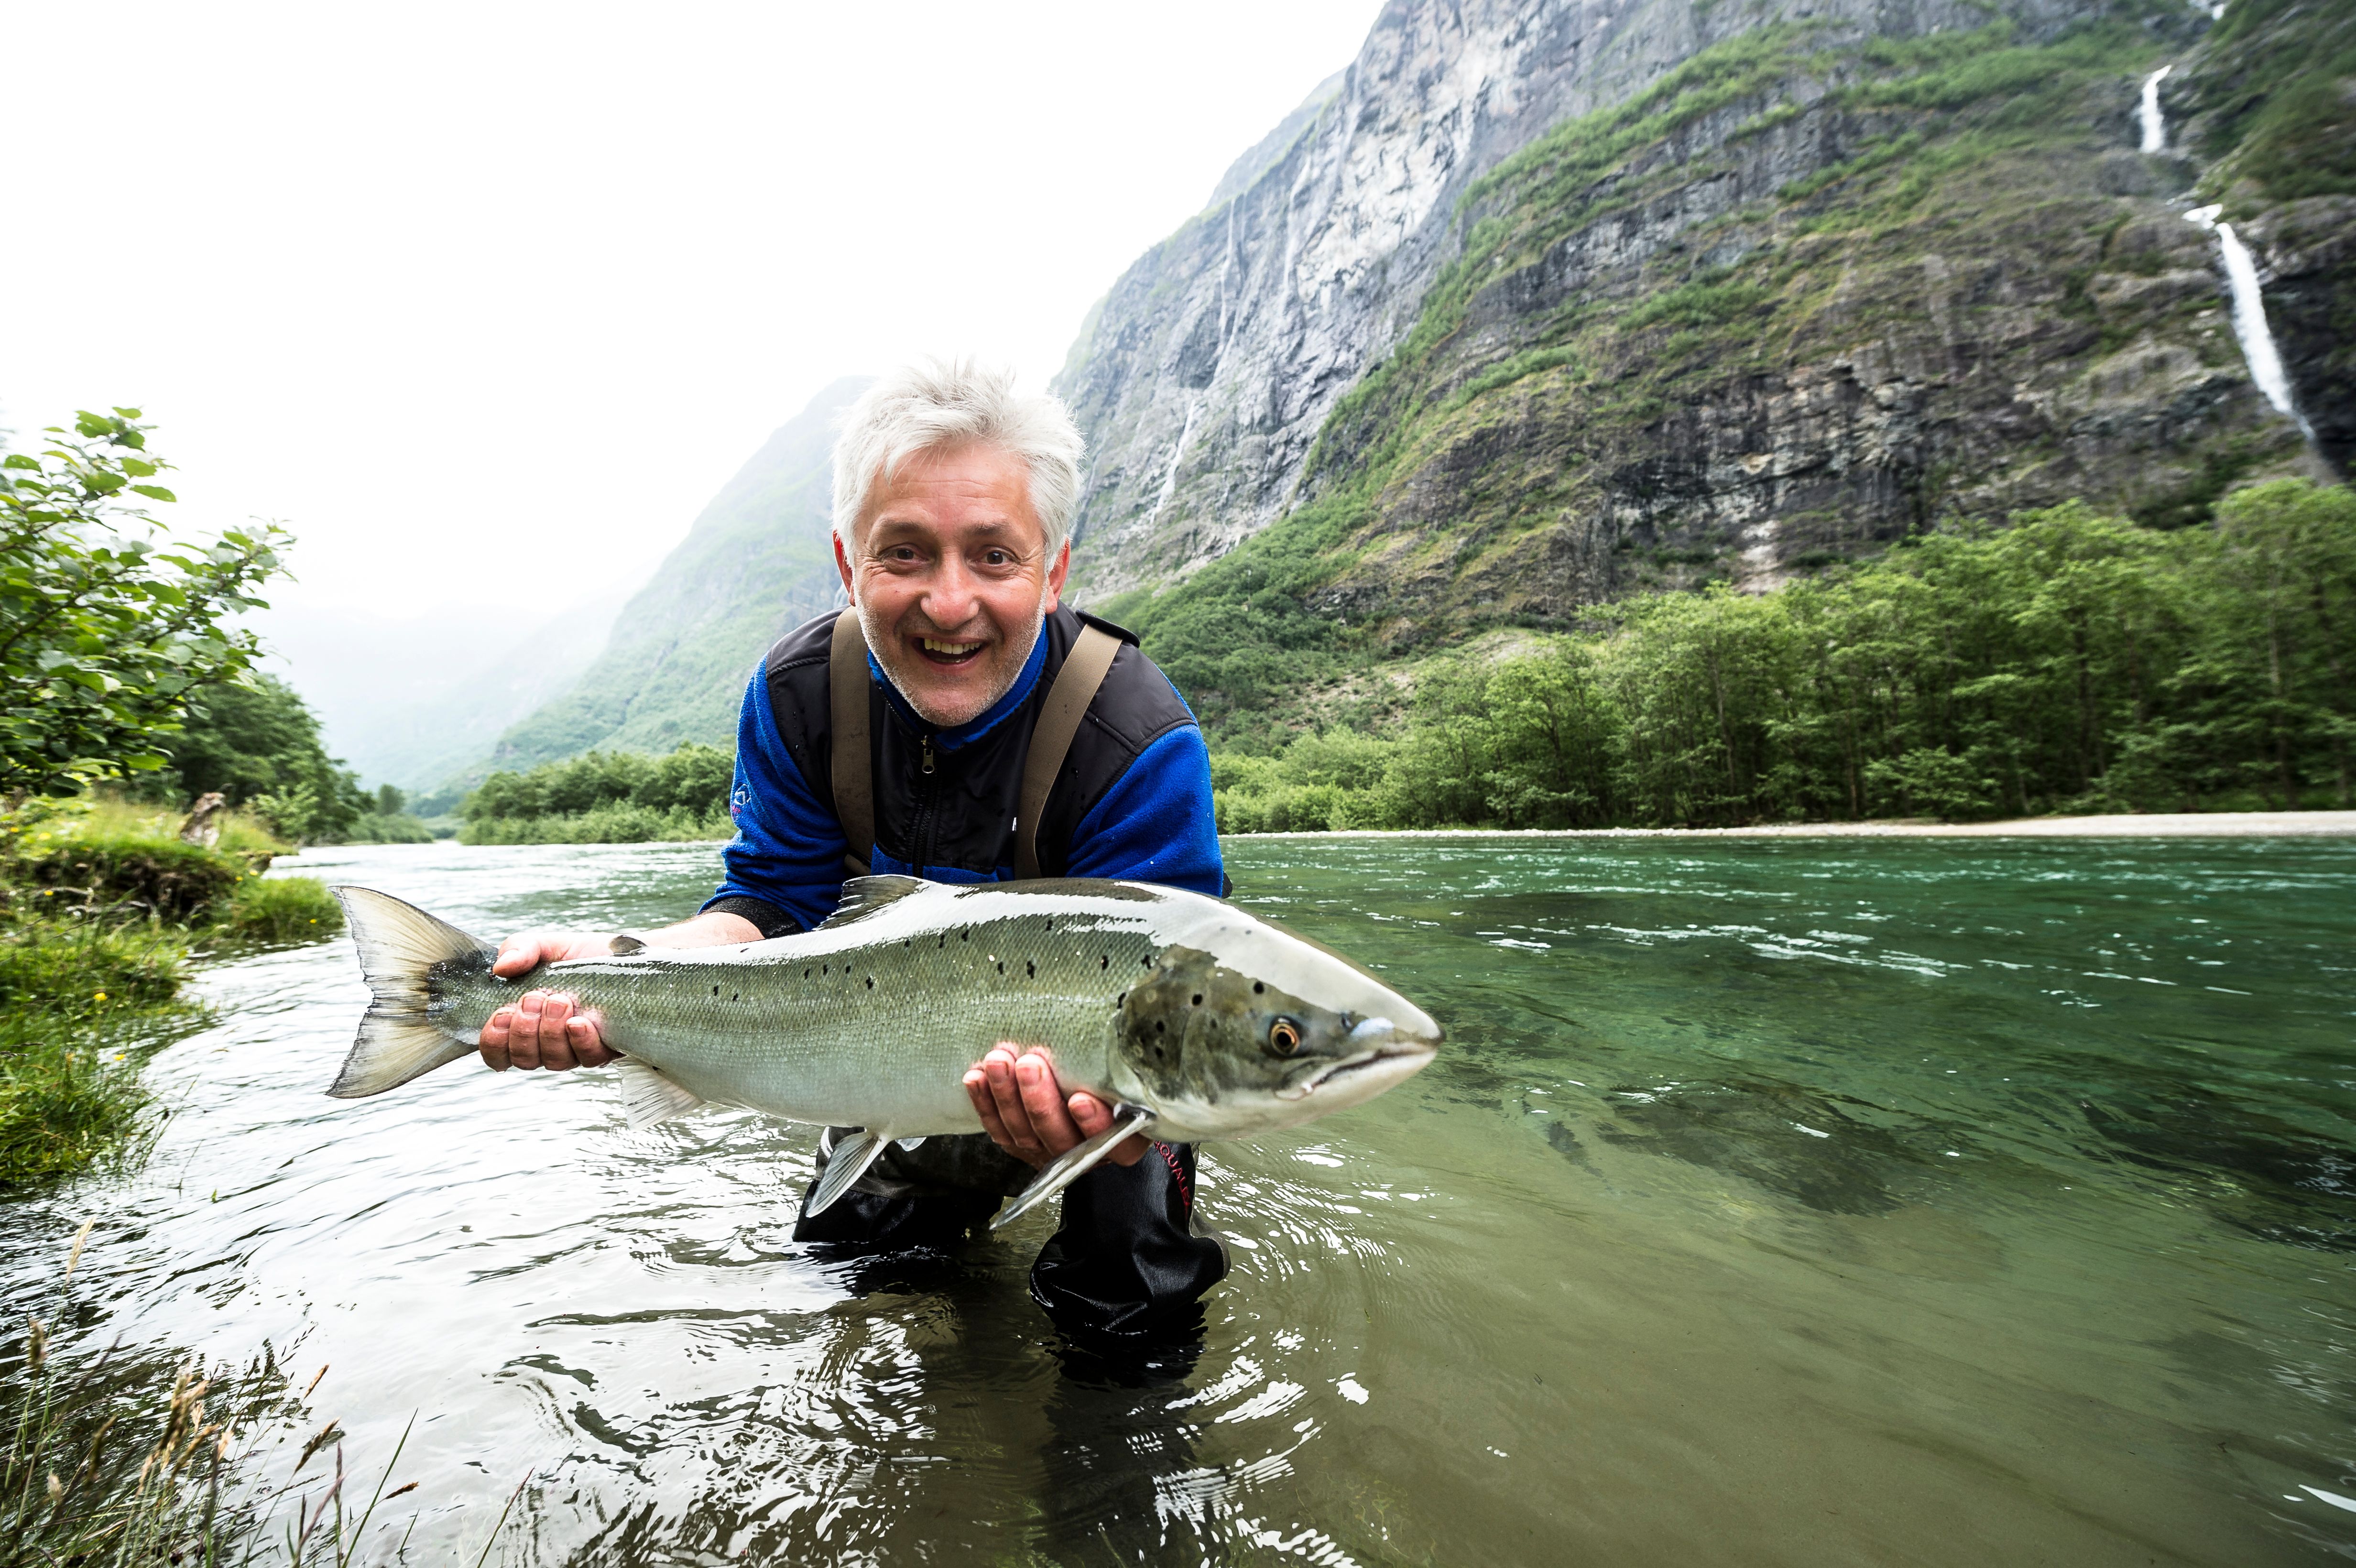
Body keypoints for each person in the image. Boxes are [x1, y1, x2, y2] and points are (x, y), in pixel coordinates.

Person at [474, 359, 1228, 1338]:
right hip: (884, 1053)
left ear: (1053, 571)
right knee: (858, 1282)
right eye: (904, 553)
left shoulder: (1137, 737)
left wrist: (1133, 1131)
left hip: (1095, 1091)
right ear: (846, 562)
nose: (947, 603)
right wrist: (610, 966)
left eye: (993, 557)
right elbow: (766, 903)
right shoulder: (797, 694)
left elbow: (1180, 1020)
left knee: (1130, 1319)